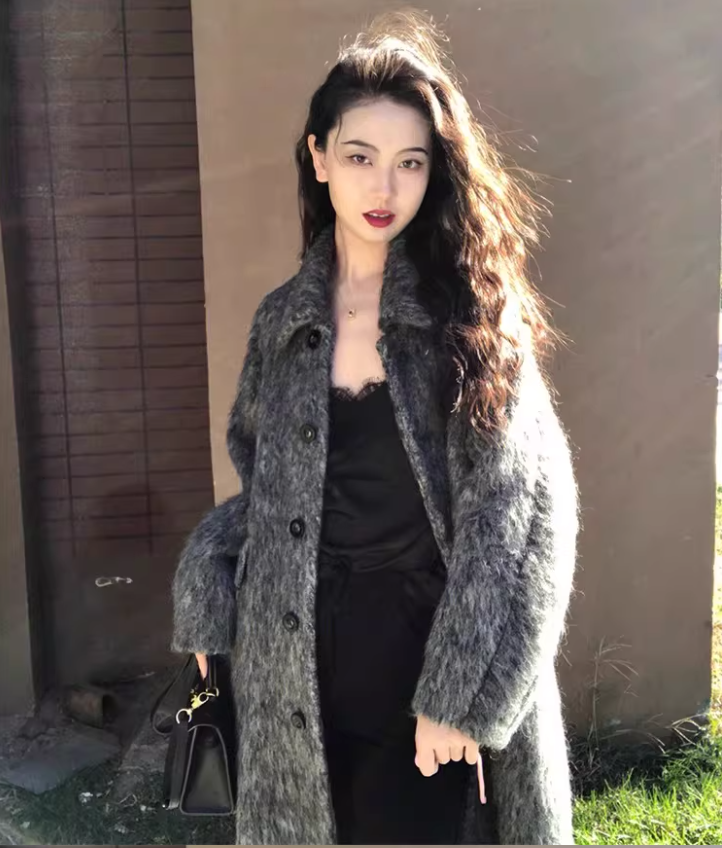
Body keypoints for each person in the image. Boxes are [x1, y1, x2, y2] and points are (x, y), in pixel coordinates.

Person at [172, 8, 580, 845]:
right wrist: (208, 569)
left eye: (409, 163)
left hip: (430, 664)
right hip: (298, 672)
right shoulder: (282, 323)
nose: (383, 189)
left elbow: (524, 519)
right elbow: (267, 490)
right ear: (320, 158)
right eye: (360, 157)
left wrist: (461, 696)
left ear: (435, 172)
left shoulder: (473, 319)